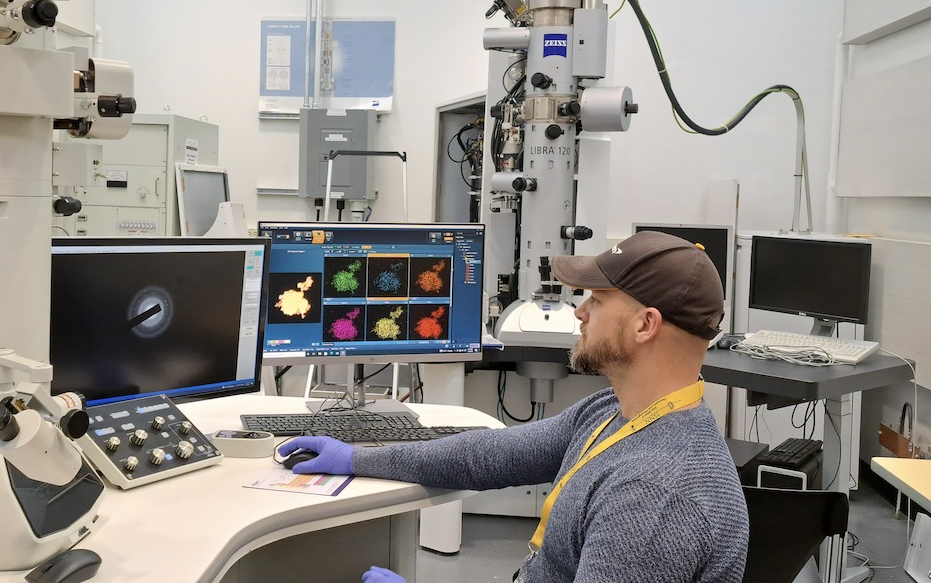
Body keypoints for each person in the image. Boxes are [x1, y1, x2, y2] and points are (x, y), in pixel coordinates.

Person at [279, 231, 750, 583]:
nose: (581, 312)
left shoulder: (654, 498)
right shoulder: (615, 411)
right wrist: (357, 457)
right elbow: (485, 456)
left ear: (645, 325)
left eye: (597, 300)